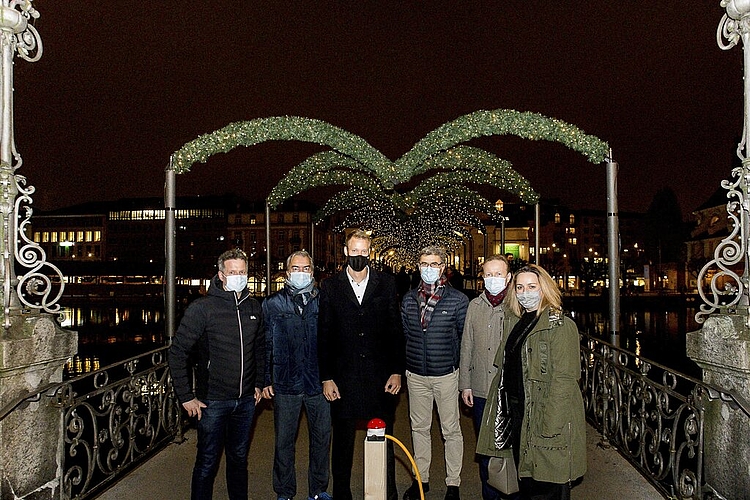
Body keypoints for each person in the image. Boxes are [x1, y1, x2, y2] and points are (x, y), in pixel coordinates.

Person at [477, 264, 586, 500]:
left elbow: (564, 380)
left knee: (548, 486)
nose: (526, 292)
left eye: (532, 286)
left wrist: (549, 428)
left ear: (544, 288)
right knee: (527, 483)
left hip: (545, 417)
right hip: (520, 414)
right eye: (520, 287)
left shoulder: (560, 326)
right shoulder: (518, 321)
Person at [168, 248, 265, 500]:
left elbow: (260, 348)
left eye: (242, 272)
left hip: (245, 401)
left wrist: (258, 383)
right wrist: (186, 396)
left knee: (239, 460)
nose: (238, 276)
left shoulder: (253, 306)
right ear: (221, 275)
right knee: (207, 462)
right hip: (212, 401)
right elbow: (178, 352)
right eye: (233, 272)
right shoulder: (203, 308)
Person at [318, 229, 404, 500]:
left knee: (382, 439)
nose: (358, 256)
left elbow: (395, 330)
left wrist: (397, 370)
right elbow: (324, 334)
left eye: (363, 252)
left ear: (370, 253)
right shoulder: (330, 286)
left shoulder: (386, 284)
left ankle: (385, 493)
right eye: (354, 251)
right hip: (343, 378)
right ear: (345, 252)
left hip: (380, 377)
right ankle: (342, 494)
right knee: (342, 444)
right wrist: (327, 376)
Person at [262, 251, 332, 500]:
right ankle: (284, 491)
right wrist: (265, 380)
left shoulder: (324, 301)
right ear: (287, 271)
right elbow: (265, 344)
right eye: (295, 268)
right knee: (283, 442)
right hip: (285, 382)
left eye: (305, 268)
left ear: (312, 272)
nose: (300, 273)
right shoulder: (272, 303)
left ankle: (318, 490)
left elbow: (334, 343)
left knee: (322, 440)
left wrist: (333, 377)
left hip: (318, 383)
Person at [401, 246, 469, 500]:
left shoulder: (458, 300)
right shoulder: (408, 299)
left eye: (434, 264)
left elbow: (462, 339)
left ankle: (453, 483)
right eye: (423, 264)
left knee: (451, 430)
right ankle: (422, 479)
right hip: (416, 374)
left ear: (443, 267)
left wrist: (460, 373)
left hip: (446, 375)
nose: (428, 269)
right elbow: (407, 334)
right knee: (419, 428)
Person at [459, 254, 513, 500]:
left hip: (509, 391)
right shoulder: (475, 305)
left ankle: (512, 492)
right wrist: (465, 385)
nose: (493, 279)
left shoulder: (517, 307)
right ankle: (489, 494)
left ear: (508, 277)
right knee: (485, 448)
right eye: (488, 274)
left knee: (511, 448)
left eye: (498, 274)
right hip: (480, 388)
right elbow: (466, 346)